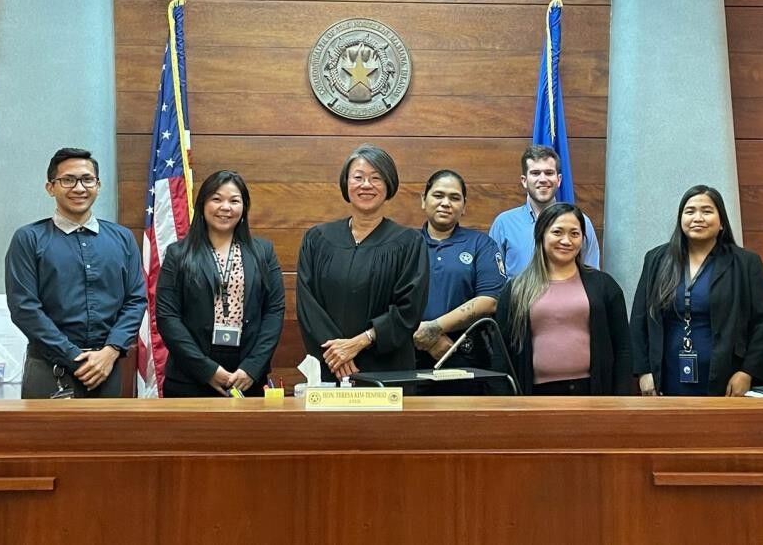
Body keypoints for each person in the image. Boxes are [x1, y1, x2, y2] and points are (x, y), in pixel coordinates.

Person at [5, 147, 146, 398]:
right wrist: (73, 356)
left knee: (106, 438)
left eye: (87, 179)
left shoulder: (122, 238)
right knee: (45, 439)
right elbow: (24, 308)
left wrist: (111, 351)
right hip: (49, 369)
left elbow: (136, 300)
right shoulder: (29, 239)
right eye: (68, 180)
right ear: (51, 187)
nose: (79, 188)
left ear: (98, 185)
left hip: (107, 368)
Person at [295, 144, 429, 382]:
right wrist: (337, 353)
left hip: (387, 369)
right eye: (358, 177)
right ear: (346, 184)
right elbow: (308, 304)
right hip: (331, 365)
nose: (366, 185)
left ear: (389, 185)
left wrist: (359, 342)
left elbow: (409, 309)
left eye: (376, 178)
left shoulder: (409, 243)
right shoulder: (317, 239)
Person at [630, 185, 763, 397]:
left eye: (707, 211)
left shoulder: (745, 263)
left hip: (727, 376)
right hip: (666, 374)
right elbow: (639, 319)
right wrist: (643, 372)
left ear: (721, 222)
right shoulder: (656, 259)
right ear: (680, 220)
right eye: (690, 212)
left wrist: (747, 372)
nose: (698, 218)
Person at [155, 170, 285, 397]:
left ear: (244, 208)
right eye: (217, 199)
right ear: (202, 204)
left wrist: (252, 368)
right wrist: (207, 370)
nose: (225, 207)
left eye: (234, 201)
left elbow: (274, 311)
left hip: (247, 377)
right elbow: (168, 317)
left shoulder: (263, 252)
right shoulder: (178, 254)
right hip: (189, 377)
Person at [495, 202, 631, 395]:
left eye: (574, 234)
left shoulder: (604, 285)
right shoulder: (516, 289)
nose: (566, 241)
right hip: (534, 396)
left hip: (594, 392)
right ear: (541, 235)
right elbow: (501, 354)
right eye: (557, 232)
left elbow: (623, 348)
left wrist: (622, 398)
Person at [413, 170, 506, 371]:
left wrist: (434, 328)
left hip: (465, 356)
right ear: (423, 200)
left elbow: (490, 300)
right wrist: (427, 339)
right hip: (409, 357)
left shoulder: (481, 244)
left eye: (454, 198)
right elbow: (385, 301)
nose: (446, 203)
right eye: (438, 195)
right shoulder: (404, 244)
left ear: (464, 206)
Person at [489, 145, 600, 277]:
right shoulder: (504, 223)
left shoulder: (580, 222)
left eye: (549, 173)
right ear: (524, 181)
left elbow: (592, 275)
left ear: (558, 180)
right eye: (535, 173)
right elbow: (492, 278)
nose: (542, 179)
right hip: (516, 297)